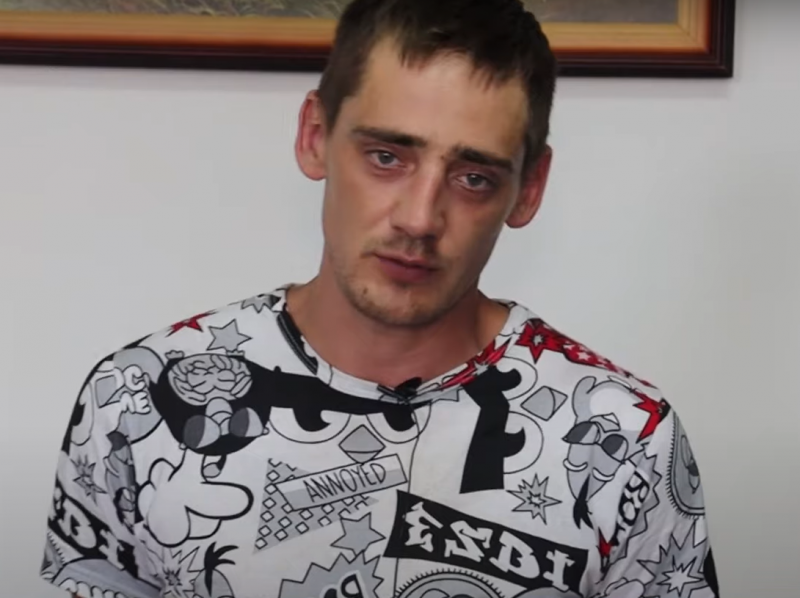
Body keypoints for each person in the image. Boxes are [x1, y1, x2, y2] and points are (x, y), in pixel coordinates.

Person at [38, 0, 721, 596]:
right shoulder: (135, 401)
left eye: (474, 177)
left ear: (530, 189)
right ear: (315, 136)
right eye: (387, 157)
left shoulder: (623, 440)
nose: (419, 219)